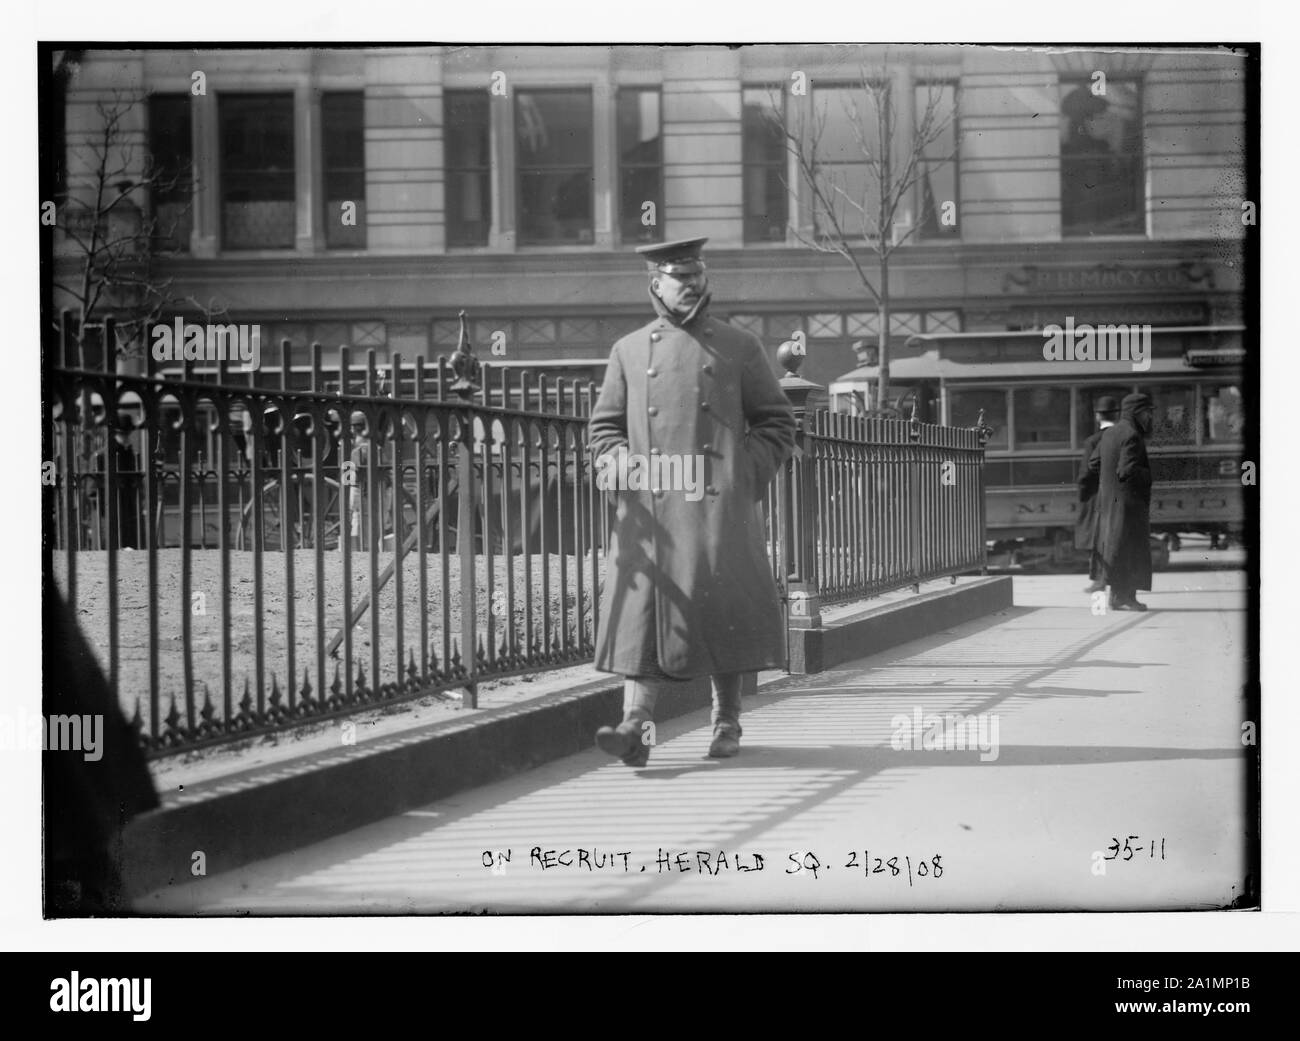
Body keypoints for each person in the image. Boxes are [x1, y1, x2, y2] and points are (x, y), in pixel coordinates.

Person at [588, 236, 796, 766]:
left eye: (697, 273)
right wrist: (618, 463)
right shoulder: (629, 351)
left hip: (714, 506)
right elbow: (604, 430)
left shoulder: (739, 346)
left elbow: (777, 421)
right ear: (655, 284)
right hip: (652, 510)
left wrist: (741, 474)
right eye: (680, 276)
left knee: (720, 611)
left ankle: (727, 722)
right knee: (644, 618)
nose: (692, 284)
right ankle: (635, 727)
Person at [1089, 391, 1155, 611]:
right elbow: (1127, 470)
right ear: (1136, 412)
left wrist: (1108, 483)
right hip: (1128, 504)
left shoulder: (1110, 433)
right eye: (1147, 413)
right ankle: (1125, 597)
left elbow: (1094, 463)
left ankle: (1118, 597)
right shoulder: (1132, 435)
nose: (1149, 418)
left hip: (1108, 502)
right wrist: (1147, 475)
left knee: (1116, 549)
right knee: (1131, 550)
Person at [1075, 395, 1119, 593]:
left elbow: (1086, 474)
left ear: (1098, 416)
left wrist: (1083, 495)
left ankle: (1099, 580)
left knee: (1098, 539)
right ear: (1116, 416)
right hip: (1118, 496)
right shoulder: (1123, 438)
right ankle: (1109, 580)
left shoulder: (1092, 441)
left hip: (1097, 497)